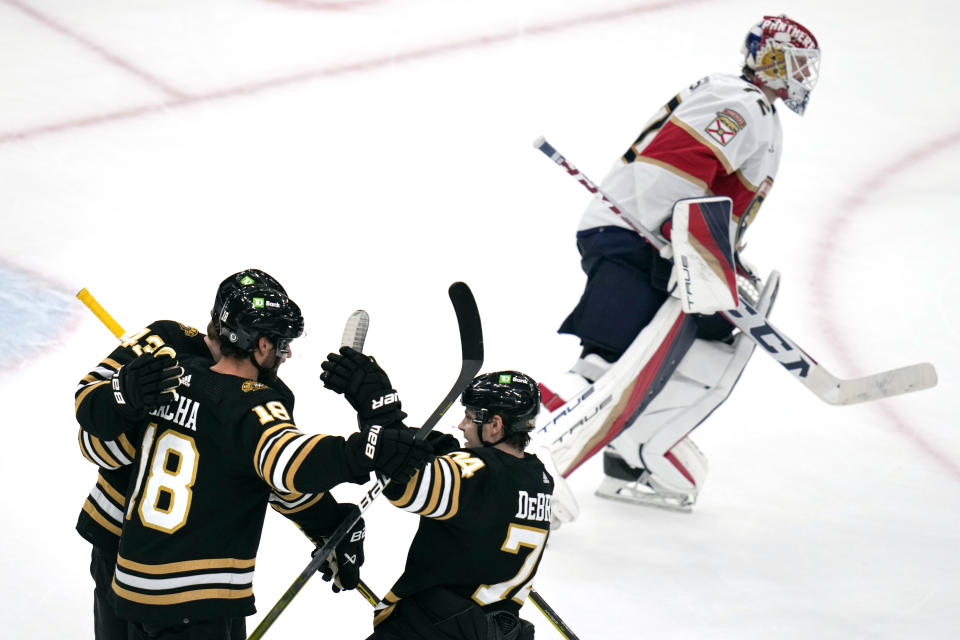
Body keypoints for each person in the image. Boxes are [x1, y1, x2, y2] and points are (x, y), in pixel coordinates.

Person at [536, 15, 821, 513]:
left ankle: (635, 451)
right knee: (605, 359)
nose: (801, 76)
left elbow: (712, 196)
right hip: (638, 238)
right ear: (770, 57)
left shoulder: (755, 109)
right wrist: (686, 240)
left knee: (702, 353)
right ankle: (524, 464)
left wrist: (720, 251)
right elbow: (680, 162)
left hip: (659, 240)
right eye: (795, 63)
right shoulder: (741, 101)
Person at [75, 279, 432, 639]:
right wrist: (365, 450)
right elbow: (286, 464)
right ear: (262, 343)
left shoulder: (177, 371)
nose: (286, 354)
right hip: (173, 574)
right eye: (283, 343)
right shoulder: (178, 349)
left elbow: (267, 471)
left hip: (135, 575)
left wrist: (327, 521)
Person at [74, 268, 287, 639]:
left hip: (199, 572)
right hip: (123, 542)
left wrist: (326, 520)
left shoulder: (264, 392)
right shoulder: (166, 342)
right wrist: (123, 394)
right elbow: (89, 418)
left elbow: (271, 475)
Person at [321, 352, 553, 640]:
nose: (462, 425)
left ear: (495, 425)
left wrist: (376, 410)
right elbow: (452, 460)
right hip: (495, 627)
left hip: (437, 629)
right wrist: (392, 423)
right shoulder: (537, 476)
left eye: (471, 417)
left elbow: (406, 483)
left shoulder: (478, 474)